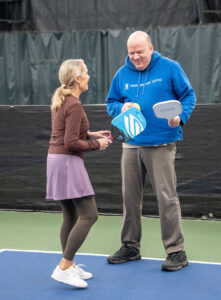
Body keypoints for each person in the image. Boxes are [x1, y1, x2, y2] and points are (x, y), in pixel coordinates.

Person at [106, 31, 196, 271]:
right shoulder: (121, 74)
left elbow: (189, 95)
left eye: (140, 52)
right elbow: (111, 102)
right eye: (131, 52)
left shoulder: (170, 68)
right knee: (130, 198)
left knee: (167, 198)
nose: (135, 57)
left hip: (161, 144)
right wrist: (121, 107)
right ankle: (130, 246)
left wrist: (181, 116)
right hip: (130, 143)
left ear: (151, 48)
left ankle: (176, 251)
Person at [46, 59, 112, 288]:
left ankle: (70, 265)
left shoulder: (62, 101)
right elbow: (71, 141)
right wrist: (97, 145)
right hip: (67, 162)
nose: (89, 76)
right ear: (77, 78)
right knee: (89, 215)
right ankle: (64, 266)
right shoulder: (73, 103)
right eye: (86, 72)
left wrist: (91, 134)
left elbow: (68, 131)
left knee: (70, 216)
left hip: (55, 160)